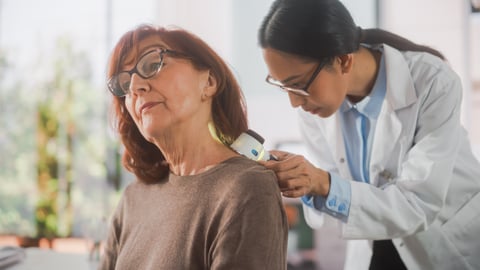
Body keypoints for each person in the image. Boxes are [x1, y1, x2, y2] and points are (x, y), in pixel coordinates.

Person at [257, 0, 480, 269]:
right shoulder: (314, 107)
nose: (295, 102)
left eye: (298, 85)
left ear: (342, 60)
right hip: (374, 241)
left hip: (443, 239)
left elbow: (420, 203)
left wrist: (322, 182)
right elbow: (331, 190)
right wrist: (302, 182)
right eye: (283, 86)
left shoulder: (433, 81)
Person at [99, 24, 288, 270]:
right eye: (124, 84)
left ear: (208, 82)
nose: (135, 87)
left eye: (152, 64)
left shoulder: (247, 188)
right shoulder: (133, 199)